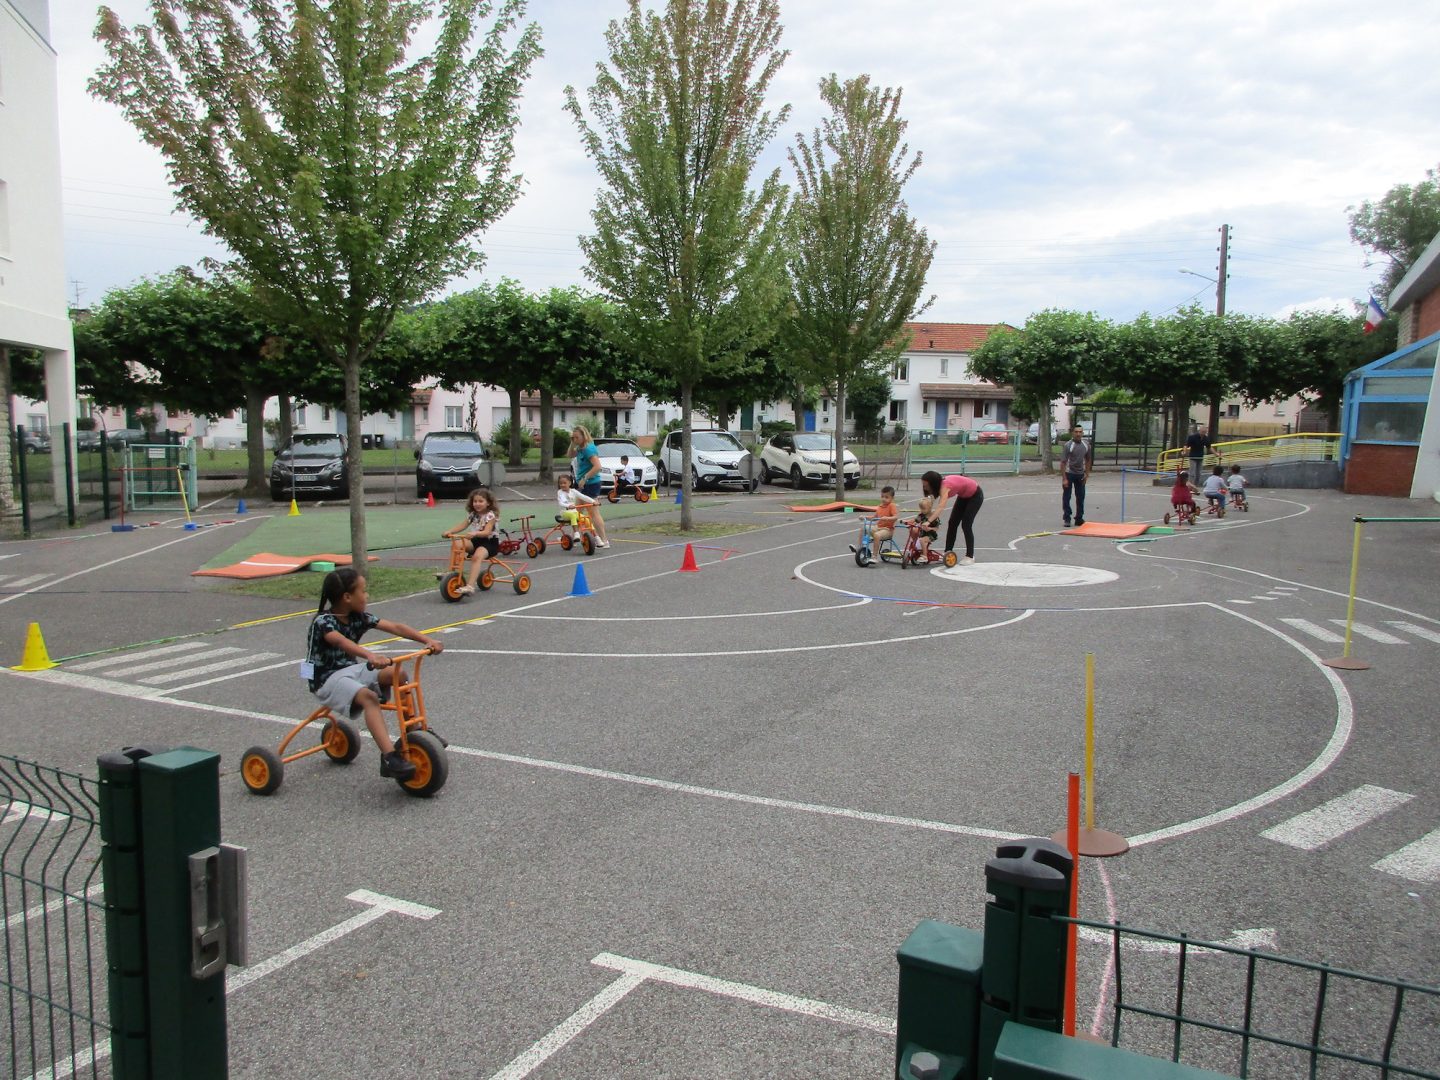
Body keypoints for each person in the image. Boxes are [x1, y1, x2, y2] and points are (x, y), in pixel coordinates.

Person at [305, 567, 443, 781]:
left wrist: (427, 640)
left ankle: (414, 731)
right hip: (325, 679)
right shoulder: (323, 622)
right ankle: (389, 757)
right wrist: (369, 655)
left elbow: (396, 627)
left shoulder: (358, 616)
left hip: (349, 671)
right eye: (364, 591)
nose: (367, 595)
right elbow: (341, 641)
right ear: (347, 597)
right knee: (369, 699)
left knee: (399, 675)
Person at [443, 488, 500, 596]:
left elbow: (487, 532)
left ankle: (470, 586)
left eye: (480, 501)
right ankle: (452, 573)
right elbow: (463, 525)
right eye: (475, 501)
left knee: (476, 557)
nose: (477, 504)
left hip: (489, 542)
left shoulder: (491, 515)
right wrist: (449, 531)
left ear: (488, 503)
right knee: (457, 544)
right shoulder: (473, 514)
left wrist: (475, 533)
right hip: (476, 540)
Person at [921, 470, 984, 565]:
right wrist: (919, 517)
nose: (924, 488)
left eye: (926, 485)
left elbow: (941, 506)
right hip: (963, 496)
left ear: (933, 484)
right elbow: (927, 506)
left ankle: (970, 556)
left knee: (966, 525)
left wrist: (929, 521)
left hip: (975, 495)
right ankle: (948, 551)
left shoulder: (944, 487)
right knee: (952, 523)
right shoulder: (935, 489)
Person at [569, 424, 609, 547]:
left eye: (576, 437)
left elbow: (597, 467)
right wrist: (572, 443)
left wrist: (585, 478)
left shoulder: (588, 449)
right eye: (573, 437)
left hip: (590, 484)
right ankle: (578, 536)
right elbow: (570, 454)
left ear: (584, 436)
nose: (575, 440)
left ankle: (604, 539)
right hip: (582, 484)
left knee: (593, 513)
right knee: (576, 512)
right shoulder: (580, 448)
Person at [850, 484, 900, 562]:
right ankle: (859, 547)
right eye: (882, 496)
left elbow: (896, 517)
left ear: (892, 498)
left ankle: (874, 557)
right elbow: (874, 517)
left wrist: (887, 518)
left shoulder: (891, 506)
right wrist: (865, 517)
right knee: (863, 528)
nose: (884, 499)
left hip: (887, 530)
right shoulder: (880, 506)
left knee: (877, 535)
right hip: (878, 528)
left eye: (886, 497)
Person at [1059, 423, 1091, 527]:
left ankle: (1079, 518)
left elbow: (1088, 459)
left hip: (1080, 474)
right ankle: (1067, 518)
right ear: (1073, 433)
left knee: (1081, 497)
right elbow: (1063, 462)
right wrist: (1064, 478)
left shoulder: (1086, 445)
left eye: (1080, 432)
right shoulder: (1068, 445)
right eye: (1076, 432)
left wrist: (1087, 474)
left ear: (1083, 433)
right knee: (1067, 497)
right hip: (1069, 473)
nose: (1078, 434)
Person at [555, 472, 599, 541]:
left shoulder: (573, 491)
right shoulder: (560, 492)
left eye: (564, 483)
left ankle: (597, 537)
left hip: (574, 512)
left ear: (569, 483)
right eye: (561, 483)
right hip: (564, 513)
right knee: (573, 515)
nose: (562, 485)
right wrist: (568, 506)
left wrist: (593, 501)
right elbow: (561, 503)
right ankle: (576, 534)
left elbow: (583, 497)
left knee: (586, 519)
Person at [913, 496, 938, 561]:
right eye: (921, 508)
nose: (922, 510)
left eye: (923, 509)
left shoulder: (933, 516)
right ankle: (915, 545)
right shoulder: (921, 515)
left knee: (922, 540)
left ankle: (925, 556)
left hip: (930, 535)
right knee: (913, 530)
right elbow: (915, 521)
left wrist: (929, 528)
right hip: (922, 533)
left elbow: (936, 528)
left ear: (929, 508)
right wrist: (907, 522)